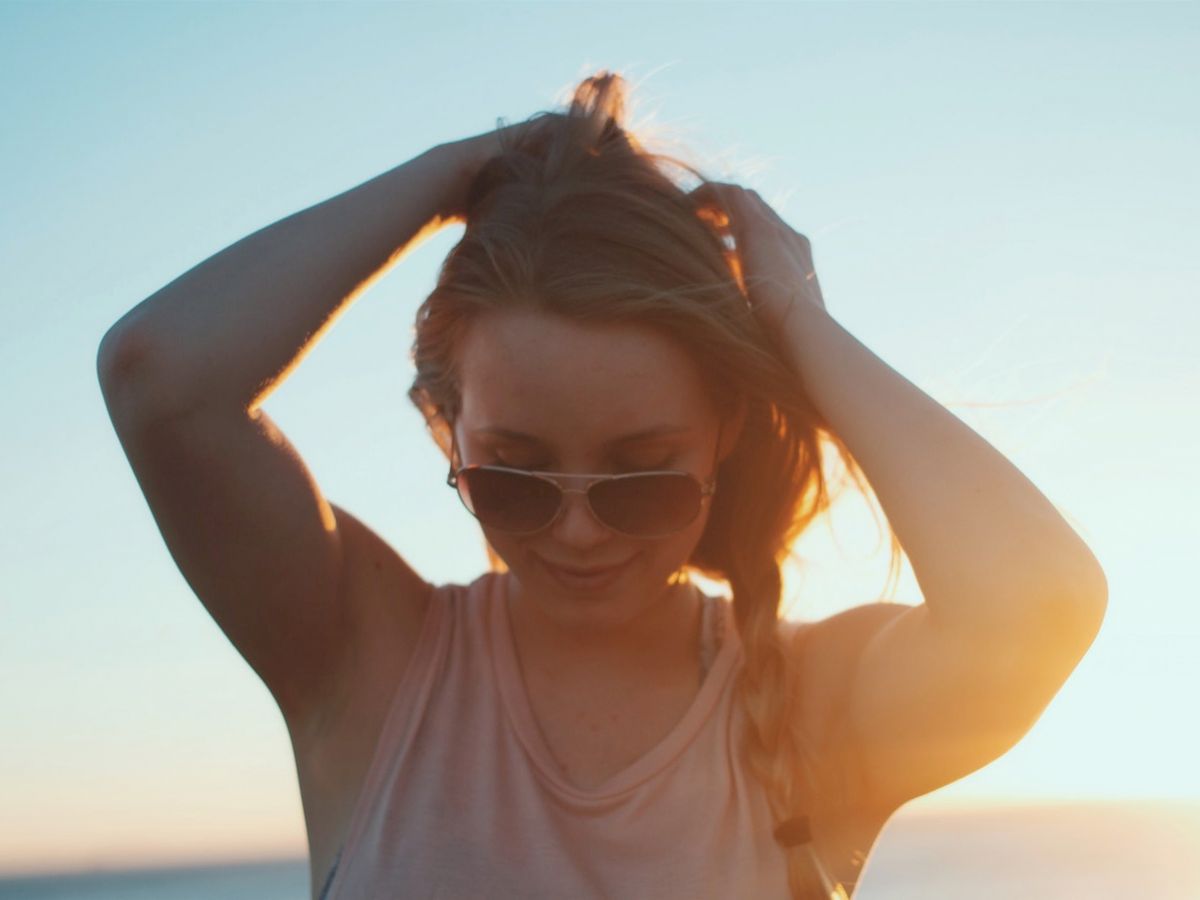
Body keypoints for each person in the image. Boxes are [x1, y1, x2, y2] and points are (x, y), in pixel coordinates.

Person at [97, 71, 1108, 900]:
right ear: (447, 430)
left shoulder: (809, 708)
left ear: (721, 440)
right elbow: (159, 378)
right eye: (516, 479)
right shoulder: (365, 654)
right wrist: (459, 171)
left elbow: (1042, 605)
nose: (578, 532)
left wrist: (800, 322)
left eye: (640, 479)